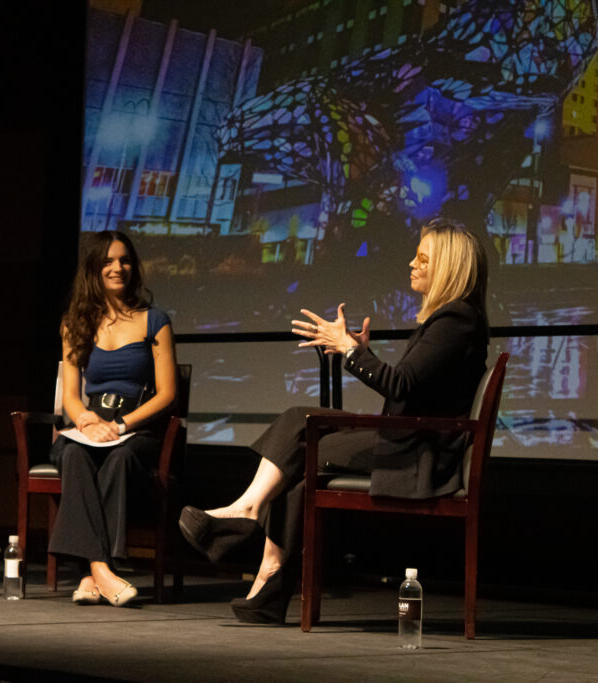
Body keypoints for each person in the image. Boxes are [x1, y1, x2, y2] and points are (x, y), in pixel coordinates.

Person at [180, 218, 489, 624]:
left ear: (447, 267)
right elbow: (413, 386)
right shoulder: (452, 320)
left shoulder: (456, 320)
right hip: (409, 441)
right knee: (300, 424)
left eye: (423, 258)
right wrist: (359, 352)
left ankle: (250, 522)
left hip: (420, 454)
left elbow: (399, 386)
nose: (411, 263)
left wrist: (350, 351)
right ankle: (264, 578)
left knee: (303, 451)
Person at [48, 230, 177, 607]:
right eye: (107, 261)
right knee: (72, 454)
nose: (117, 267)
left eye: (124, 260)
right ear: (94, 269)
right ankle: (101, 571)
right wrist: (87, 422)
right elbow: (71, 395)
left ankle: (91, 575)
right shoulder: (75, 323)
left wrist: (121, 426)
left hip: (133, 425)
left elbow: (168, 394)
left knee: (119, 457)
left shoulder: (154, 320)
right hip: (90, 423)